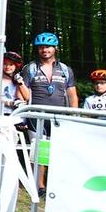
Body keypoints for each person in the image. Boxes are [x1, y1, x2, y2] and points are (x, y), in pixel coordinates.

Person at [20, 32, 78, 196]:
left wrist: (74, 117)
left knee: (58, 151)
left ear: (55, 48)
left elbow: (72, 94)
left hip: (59, 117)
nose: (44, 50)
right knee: (39, 151)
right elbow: (23, 93)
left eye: (48, 46)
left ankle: (58, 183)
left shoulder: (65, 70)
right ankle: (40, 185)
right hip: (36, 116)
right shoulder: (30, 68)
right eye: (41, 47)